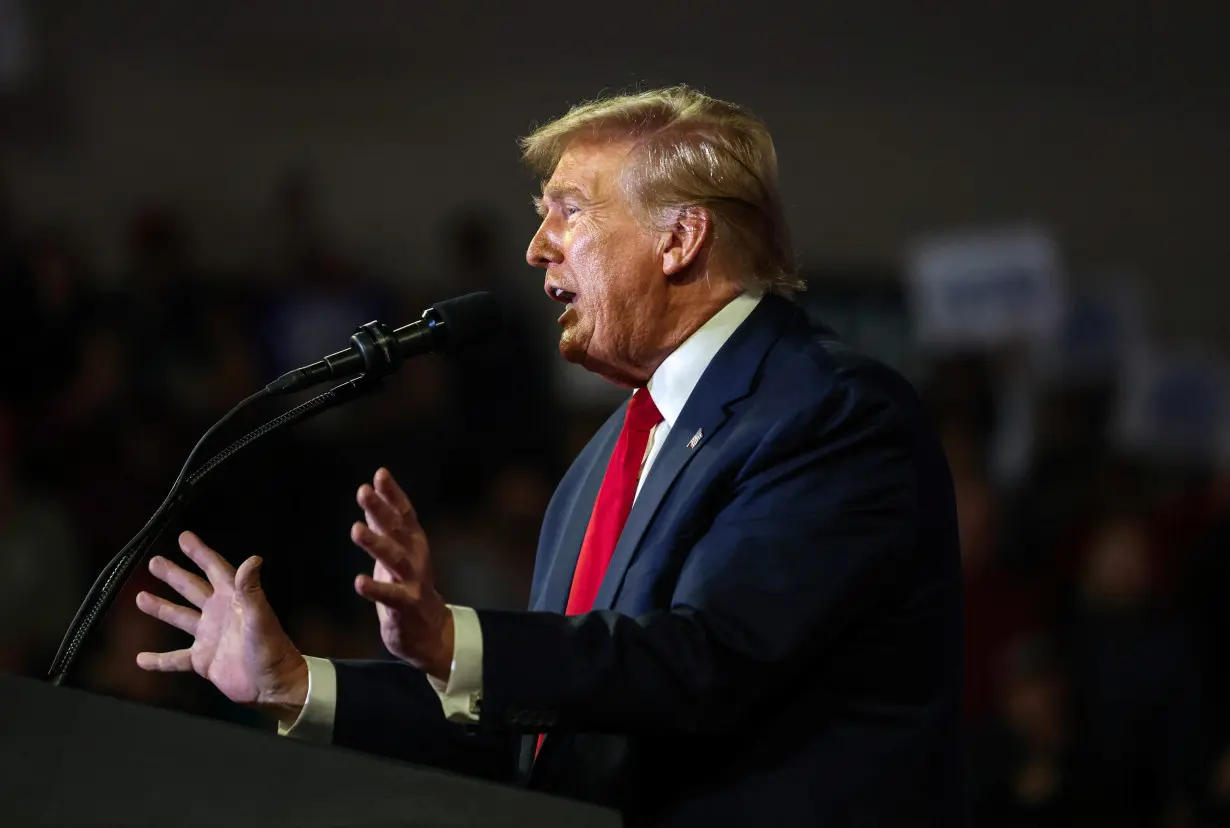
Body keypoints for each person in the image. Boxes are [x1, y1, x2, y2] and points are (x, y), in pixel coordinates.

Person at [134, 86, 966, 826]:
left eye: (569, 210)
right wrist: (295, 682)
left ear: (679, 240)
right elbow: (546, 736)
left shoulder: (828, 412)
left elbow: (706, 664)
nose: (537, 246)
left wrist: (455, 637)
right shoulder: (598, 465)